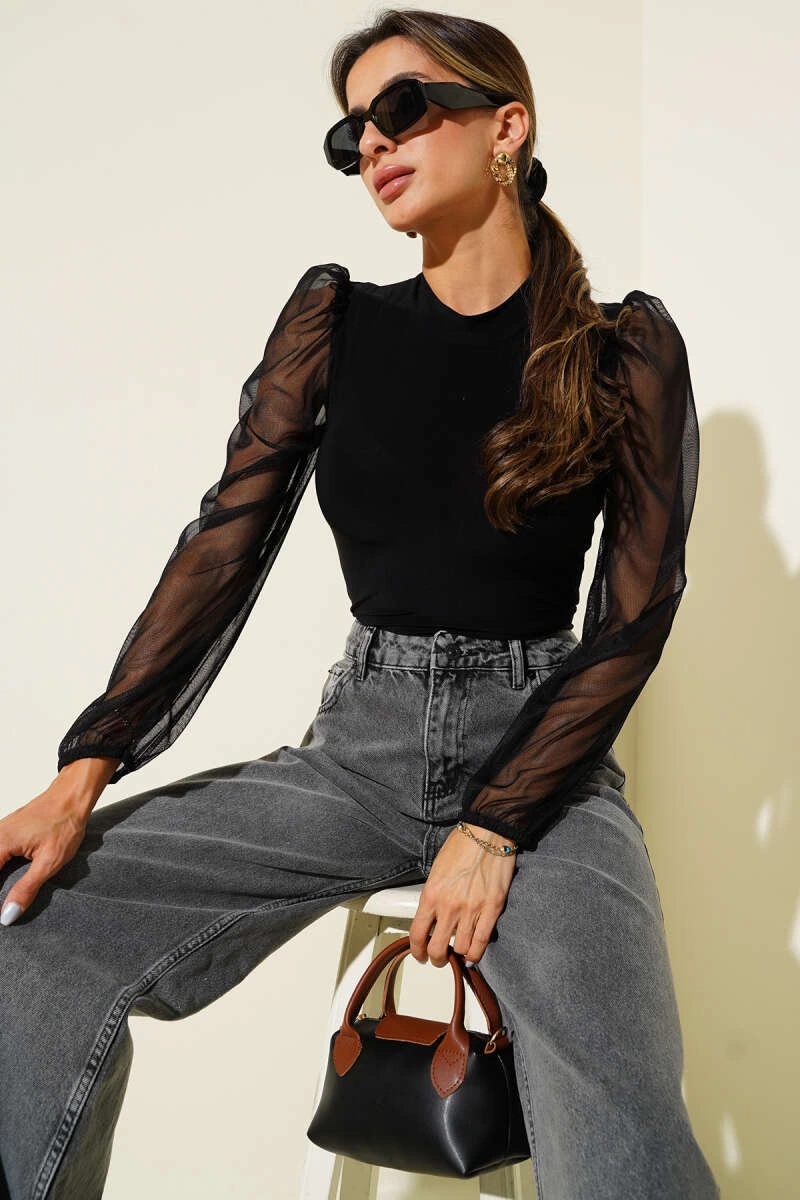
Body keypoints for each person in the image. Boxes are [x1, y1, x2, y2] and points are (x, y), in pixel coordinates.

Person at [0, 8, 720, 1199]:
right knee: (30, 928)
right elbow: (221, 547)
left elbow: (634, 614)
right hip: (355, 759)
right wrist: (85, 771)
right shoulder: (336, 324)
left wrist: (493, 827)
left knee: (620, 1094)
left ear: (506, 125)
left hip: (544, 774)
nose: (372, 143)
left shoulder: (618, 349)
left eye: (401, 108)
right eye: (351, 134)